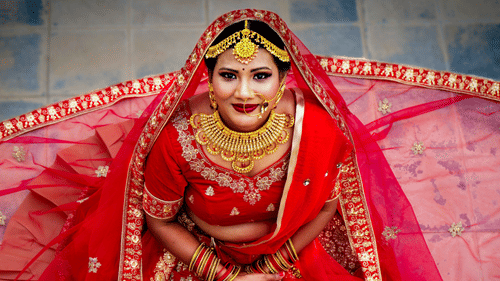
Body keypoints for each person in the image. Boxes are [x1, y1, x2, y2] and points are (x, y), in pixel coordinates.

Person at [0, 9, 499, 281]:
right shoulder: (176, 141)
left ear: (283, 80)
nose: (244, 91)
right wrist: (221, 275)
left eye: (260, 76)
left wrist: (274, 267)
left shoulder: (317, 132)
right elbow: (158, 217)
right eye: (229, 75)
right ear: (209, 78)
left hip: (291, 251)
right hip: (198, 256)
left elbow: (327, 206)